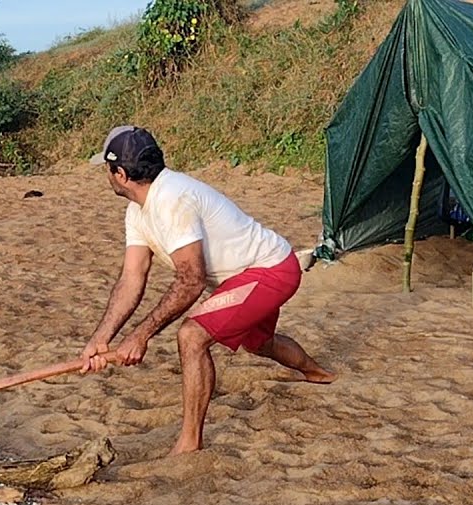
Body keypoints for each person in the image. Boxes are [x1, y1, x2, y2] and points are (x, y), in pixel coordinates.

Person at [79, 125, 335, 456]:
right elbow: (132, 277)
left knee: (192, 337)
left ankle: (189, 442)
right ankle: (316, 372)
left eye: (108, 169)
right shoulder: (137, 211)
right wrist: (101, 339)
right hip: (247, 275)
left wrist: (140, 336)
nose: (107, 176)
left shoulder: (173, 200)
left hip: (270, 270)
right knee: (260, 343)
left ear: (121, 174)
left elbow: (191, 281)